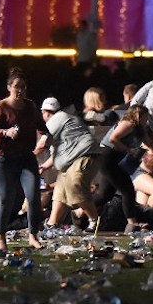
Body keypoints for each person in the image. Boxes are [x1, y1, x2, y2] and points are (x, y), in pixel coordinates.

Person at [0, 67, 48, 251]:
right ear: (9, 87)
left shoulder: (30, 106)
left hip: (25, 158)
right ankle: (1, 236)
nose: (20, 90)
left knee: (33, 196)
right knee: (6, 198)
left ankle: (33, 235)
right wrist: (6, 132)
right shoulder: (1, 107)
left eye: (23, 87)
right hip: (4, 159)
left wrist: (47, 135)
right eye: (16, 87)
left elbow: (42, 126)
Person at [37, 97, 101, 231]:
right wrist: (43, 167)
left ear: (46, 113)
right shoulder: (65, 121)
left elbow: (42, 144)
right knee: (59, 193)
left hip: (83, 156)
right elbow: (55, 155)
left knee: (74, 187)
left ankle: (94, 219)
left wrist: (28, 157)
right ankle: (51, 223)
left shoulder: (57, 119)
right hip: (73, 160)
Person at [95, 105, 153, 232]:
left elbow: (149, 143)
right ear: (138, 115)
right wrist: (129, 150)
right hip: (107, 156)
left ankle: (78, 210)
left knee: (105, 195)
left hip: (115, 160)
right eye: (145, 116)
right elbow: (113, 138)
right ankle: (132, 223)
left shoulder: (140, 129)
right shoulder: (128, 123)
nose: (146, 119)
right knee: (127, 190)